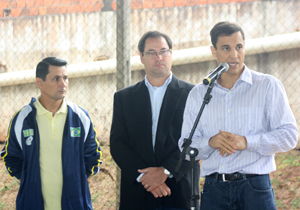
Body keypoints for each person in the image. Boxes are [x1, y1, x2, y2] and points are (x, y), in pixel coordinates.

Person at [178, 21, 298, 210]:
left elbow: (290, 136)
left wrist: (247, 142)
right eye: (226, 48)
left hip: (256, 188)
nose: (234, 55)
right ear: (213, 51)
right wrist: (211, 142)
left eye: (239, 47)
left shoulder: (268, 86)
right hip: (214, 189)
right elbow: (185, 148)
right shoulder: (198, 94)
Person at [110, 31, 200, 210]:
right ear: (141, 57)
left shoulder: (194, 94)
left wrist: (166, 170)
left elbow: (198, 139)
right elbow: (118, 144)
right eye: (151, 52)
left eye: (164, 51)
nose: (159, 57)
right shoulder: (124, 98)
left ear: (171, 54)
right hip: (138, 193)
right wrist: (147, 178)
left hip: (179, 191)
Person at [0, 57, 102, 210]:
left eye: (65, 78)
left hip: (75, 204)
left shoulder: (80, 117)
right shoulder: (23, 119)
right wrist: (29, 180)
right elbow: (11, 156)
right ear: (39, 82)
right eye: (56, 78)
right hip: (32, 203)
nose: (63, 84)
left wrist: (76, 179)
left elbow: (93, 156)